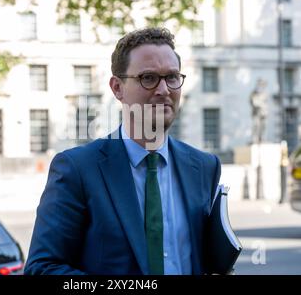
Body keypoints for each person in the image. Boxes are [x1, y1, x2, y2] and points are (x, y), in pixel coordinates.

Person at [24, 27, 221, 275]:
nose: (164, 90)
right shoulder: (78, 169)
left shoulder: (204, 166)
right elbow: (42, 268)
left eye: (172, 77)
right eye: (148, 78)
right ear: (117, 88)